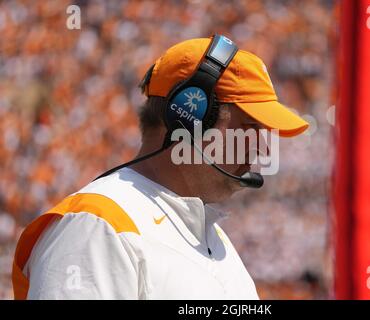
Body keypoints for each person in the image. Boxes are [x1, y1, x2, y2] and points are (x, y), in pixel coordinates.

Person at [11, 35, 309, 299]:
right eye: (250, 128)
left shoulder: (216, 244)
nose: (262, 147)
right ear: (192, 117)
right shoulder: (98, 227)